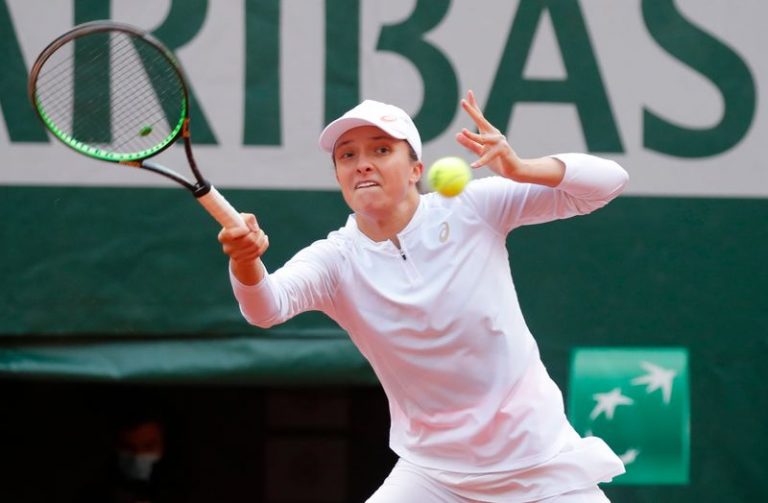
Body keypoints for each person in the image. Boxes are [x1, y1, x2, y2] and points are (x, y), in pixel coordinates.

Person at [218, 90, 629, 502]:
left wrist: (521, 168)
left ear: (416, 169)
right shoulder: (335, 260)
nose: (362, 163)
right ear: (339, 177)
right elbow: (265, 308)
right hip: (434, 477)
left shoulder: (472, 208)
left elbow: (609, 183)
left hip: (539, 463)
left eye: (381, 150)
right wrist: (245, 260)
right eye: (347, 155)